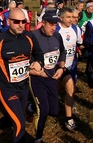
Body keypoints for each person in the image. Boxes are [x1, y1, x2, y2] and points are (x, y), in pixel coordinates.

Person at [0, 8, 45, 143]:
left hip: (23, 86)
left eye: (23, 21)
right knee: (20, 123)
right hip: (6, 88)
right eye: (16, 21)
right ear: (8, 22)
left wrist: (39, 62)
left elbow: (39, 53)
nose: (20, 24)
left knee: (14, 116)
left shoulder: (29, 37)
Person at [27, 10, 67, 141]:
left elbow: (62, 52)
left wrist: (61, 68)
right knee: (43, 110)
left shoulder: (57, 36)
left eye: (56, 25)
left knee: (54, 111)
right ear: (43, 23)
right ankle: (38, 138)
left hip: (51, 78)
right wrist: (36, 72)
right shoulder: (32, 37)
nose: (53, 27)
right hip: (36, 79)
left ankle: (30, 107)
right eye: (51, 24)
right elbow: (22, 61)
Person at [56, 7, 84, 131]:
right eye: (68, 17)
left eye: (73, 17)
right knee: (70, 89)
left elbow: (79, 43)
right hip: (58, 66)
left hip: (72, 65)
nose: (71, 19)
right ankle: (69, 120)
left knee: (63, 89)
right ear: (61, 18)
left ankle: (40, 102)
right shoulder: (56, 29)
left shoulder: (76, 29)